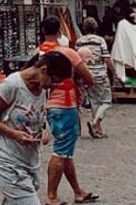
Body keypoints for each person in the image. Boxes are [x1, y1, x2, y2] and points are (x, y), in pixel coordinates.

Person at [0, 50, 71, 205]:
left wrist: (44, 130)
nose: (55, 86)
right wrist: (13, 133)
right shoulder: (12, 85)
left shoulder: (42, 89)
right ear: (44, 71)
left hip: (30, 161)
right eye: (55, 81)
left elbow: (38, 116)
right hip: (8, 161)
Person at [36, 16, 97, 205]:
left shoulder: (38, 53)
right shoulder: (67, 53)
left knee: (66, 151)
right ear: (60, 31)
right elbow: (89, 77)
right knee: (61, 151)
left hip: (50, 105)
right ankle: (51, 196)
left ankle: (78, 191)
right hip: (66, 104)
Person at [75, 18, 115, 139]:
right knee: (106, 101)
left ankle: (96, 129)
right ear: (96, 28)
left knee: (94, 101)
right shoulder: (100, 40)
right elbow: (106, 58)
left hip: (85, 74)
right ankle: (95, 123)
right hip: (100, 74)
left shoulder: (79, 41)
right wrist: (114, 72)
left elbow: (77, 59)